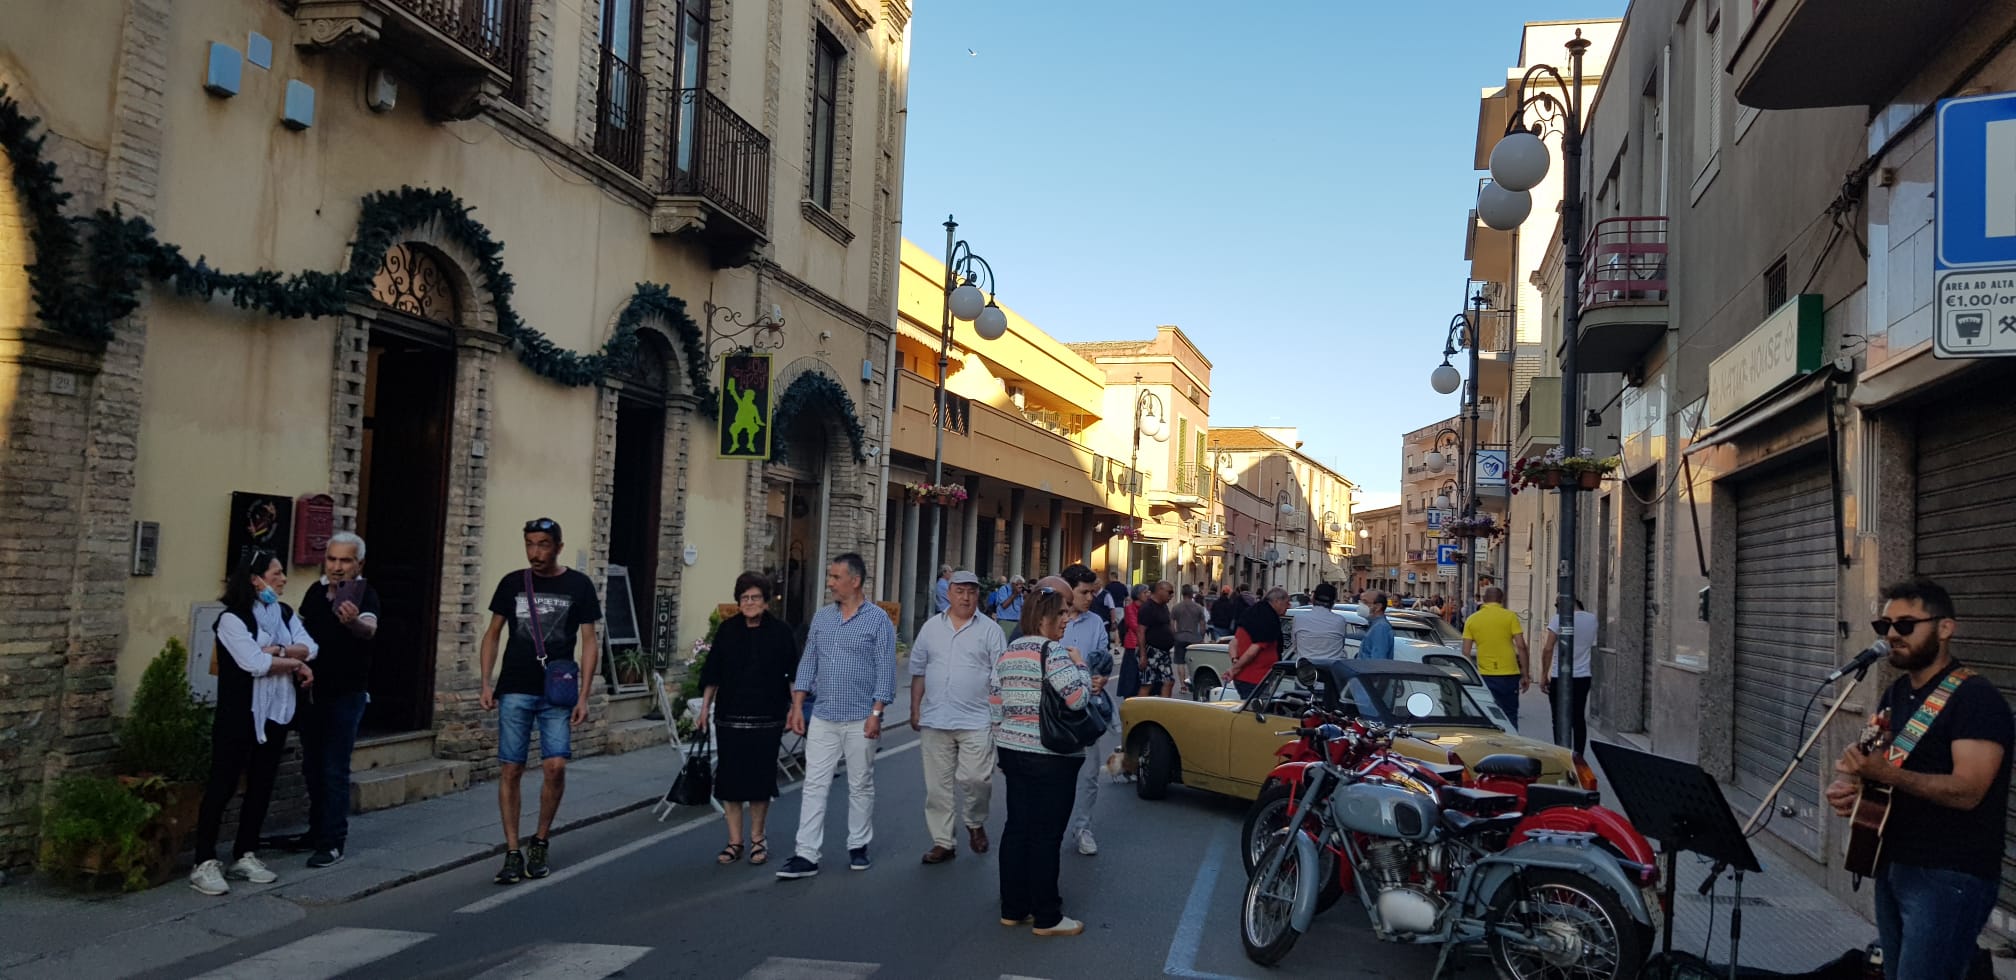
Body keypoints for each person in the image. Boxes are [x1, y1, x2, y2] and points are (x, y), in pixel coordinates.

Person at [1825, 579, 2011, 980]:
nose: (1892, 635)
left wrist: (1886, 773)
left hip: (1948, 873)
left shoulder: (1975, 699)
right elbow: (1880, 770)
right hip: (1893, 863)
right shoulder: (1895, 694)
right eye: (1884, 626)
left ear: (1945, 628)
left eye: (1906, 625)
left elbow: (1969, 790)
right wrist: (1853, 791)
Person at [479, 517, 601, 885]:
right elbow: (493, 633)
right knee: (511, 768)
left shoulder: (578, 585)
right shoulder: (513, 583)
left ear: (558, 547)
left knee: (555, 766)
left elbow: (590, 640)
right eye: (530, 544)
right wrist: (486, 681)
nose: (535, 552)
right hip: (515, 686)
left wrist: (585, 694)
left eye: (543, 544)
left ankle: (541, 840)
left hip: (557, 691)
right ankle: (513, 850)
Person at [189, 551, 318, 896]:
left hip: (276, 712)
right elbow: (252, 663)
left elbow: (311, 646)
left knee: (261, 784)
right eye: (276, 573)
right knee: (223, 785)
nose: (283, 579)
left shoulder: (284, 613)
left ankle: (245, 853)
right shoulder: (232, 620)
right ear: (255, 579)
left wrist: (279, 653)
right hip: (238, 715)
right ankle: (204, 860)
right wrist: (290, 658)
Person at [776, 553, 898, 879]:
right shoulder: (822, 618)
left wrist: (877, 713)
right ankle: (806, 854)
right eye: (830, 577)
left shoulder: (878, 621)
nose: (829, 582)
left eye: (834, 577)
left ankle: (858, 846)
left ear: (854, 581)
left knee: (860, 784)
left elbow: (885, 672)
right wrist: (798, 706)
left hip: (861, 718)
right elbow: (808, 664)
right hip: (824, 716)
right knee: (814, 784)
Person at [989, 585, 1093, 937]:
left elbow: (994, 703)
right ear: (1045, 618)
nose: (1066, 620)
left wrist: (1007, 736)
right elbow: (1077, 699)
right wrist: (1081, 667)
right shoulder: (1055, 652)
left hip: (1012, 752)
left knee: (1017, 829)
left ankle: (1013, 908)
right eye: (1061, 614)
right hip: (1050, 756)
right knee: (1047, 835)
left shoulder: (1009, 652)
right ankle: (1047, 915)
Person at [696, 573, 798, 867]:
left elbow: (792, 674)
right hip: (729, 715)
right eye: (744, 598)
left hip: (767, 716)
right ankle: (734, 841)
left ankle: (757, 838)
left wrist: (794, 708)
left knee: (759, 779)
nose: (749, 603)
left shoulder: (780, 632)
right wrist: (704, 709)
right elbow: (712, 673)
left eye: (755, 598)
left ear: (766, 602)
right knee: (729, 780)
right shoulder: (728, 630)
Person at [293, 532, 378, 868]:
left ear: (358, 563)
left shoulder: (364, 594)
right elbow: (300, 630)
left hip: (347, 694)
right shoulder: (315, 592)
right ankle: (315, 832)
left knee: (333, 768)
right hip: (313, 692)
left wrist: (353, 620)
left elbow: (369, 628)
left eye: (345, 560)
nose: (338, 567)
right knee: (312, 766)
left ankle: (332, 842)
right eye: (332, 559)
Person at [909, 570, 1005, 864]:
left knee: (977, 780)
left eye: (972, 592)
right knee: (937, 788)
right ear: (948, 593)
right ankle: (943, 842)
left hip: (977, 720)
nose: (966, 597)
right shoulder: (930, 628)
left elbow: (1000, 675)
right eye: (960, 591)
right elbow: (919, 670)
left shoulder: (990, 630)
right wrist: (915, 708)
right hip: (936, 718)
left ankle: (974, 822)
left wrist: (998, 716)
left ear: (978, 596)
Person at [1057, 566, 1115, 856]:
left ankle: (1082, 828)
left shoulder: (1096, 622)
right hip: (1056, 712)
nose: (1090, 597)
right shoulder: (1052, 620)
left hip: (1087, 711)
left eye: (1093, 592)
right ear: (1068, 591)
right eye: (1084, 592)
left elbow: (1103, 659)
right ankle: (1053, 826)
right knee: (1055, 774)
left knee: (1090, 774)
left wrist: (1101, 678)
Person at [1461, 586, 1527, 728]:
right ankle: (1511, 742)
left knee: (1489, 713)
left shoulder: (1472, 620)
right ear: (1501, 599)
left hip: (1485, 674)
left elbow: (1465, 652)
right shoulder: (1510, 616)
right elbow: (1521, 646)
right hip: (1510, 673)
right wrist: (1525, 674)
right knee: (1510, 713)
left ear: (1484, 600)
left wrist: (1470, 675)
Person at [1540, 598, 1597, 753]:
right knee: (1578, 717)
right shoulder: (1592, 619)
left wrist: (1544, 674)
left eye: (1558, 606)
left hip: (1561, 676)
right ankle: (1579, 756)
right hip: (1583, 675)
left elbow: (1548, 648)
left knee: (1558, 718)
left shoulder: (1558, 619)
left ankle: (1561, 753)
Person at [1227, 588, 1289, 698]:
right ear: (1276, 601)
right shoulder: (1268, 619)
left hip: (1243, 678)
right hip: (1257, 678)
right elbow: (1254, 650)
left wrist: (1234, 659)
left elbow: (1234, 642)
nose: (1289, 606)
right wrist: (1234, 669)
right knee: (1256, 713)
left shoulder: (1250, 612)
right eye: (1286, 603)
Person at [1135, 580, 1177, 698]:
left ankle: (1164, 710)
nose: (1171, 595)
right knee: (1147, 684)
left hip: (1163, 652)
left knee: (1169, 681)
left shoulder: (1163, 606)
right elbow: (1141, 631)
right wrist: (1143, 655)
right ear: (1160, 590)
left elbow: (1167, 624)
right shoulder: (1147, 608)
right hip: (1151, 651)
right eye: (1170, 592)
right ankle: (1139, 712)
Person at [1290, 582, 1350, 660]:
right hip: (1331, 669)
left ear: (1313, 598)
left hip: (1305, 669)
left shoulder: (1298, 618)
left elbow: (1295, 646)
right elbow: (1342, 644)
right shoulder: (1340, 621)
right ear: (1333, 602)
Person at [1170, 585, 1208, 694]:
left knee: (1180, 662)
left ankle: (1182, 685)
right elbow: (1202, 625)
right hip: (1194, 638)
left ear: (1182, 594)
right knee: (1194, 662)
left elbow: (1172, 624)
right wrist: (1201, 637)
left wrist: (1175, 635)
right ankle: (1193, 682)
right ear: (1192, 594)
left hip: (1180, 637)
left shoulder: (1176, 607)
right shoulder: (1198, 608)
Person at [1116, 583, 1148, 699]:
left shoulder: (1147, 608)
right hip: (1133, 644)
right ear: (1138, 595)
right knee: (1131, 676)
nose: (1147, 595)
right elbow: (1135, 626)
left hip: (1145, 644)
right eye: (1145, 593)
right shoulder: (1129, 608)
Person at [1358, 590, 1395, 660]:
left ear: (1378, 607)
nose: (1361, 605)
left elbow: (1377, 661)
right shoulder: (1375, 625)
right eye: (1360, 601)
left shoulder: (1381, 627)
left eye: (1365, 602)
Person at [991, 576, 1026, 641]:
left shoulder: (1020, 592)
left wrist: (1026, 597)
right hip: (1005, 621)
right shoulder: (1004, 589)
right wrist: (1014, 594)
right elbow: (1004, 605)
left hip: (1018, 621)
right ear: (1012, 584)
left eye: (1022, 584)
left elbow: (1023, 607)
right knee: (1005, 642)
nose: (1020, 586)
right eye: (1018, 584)